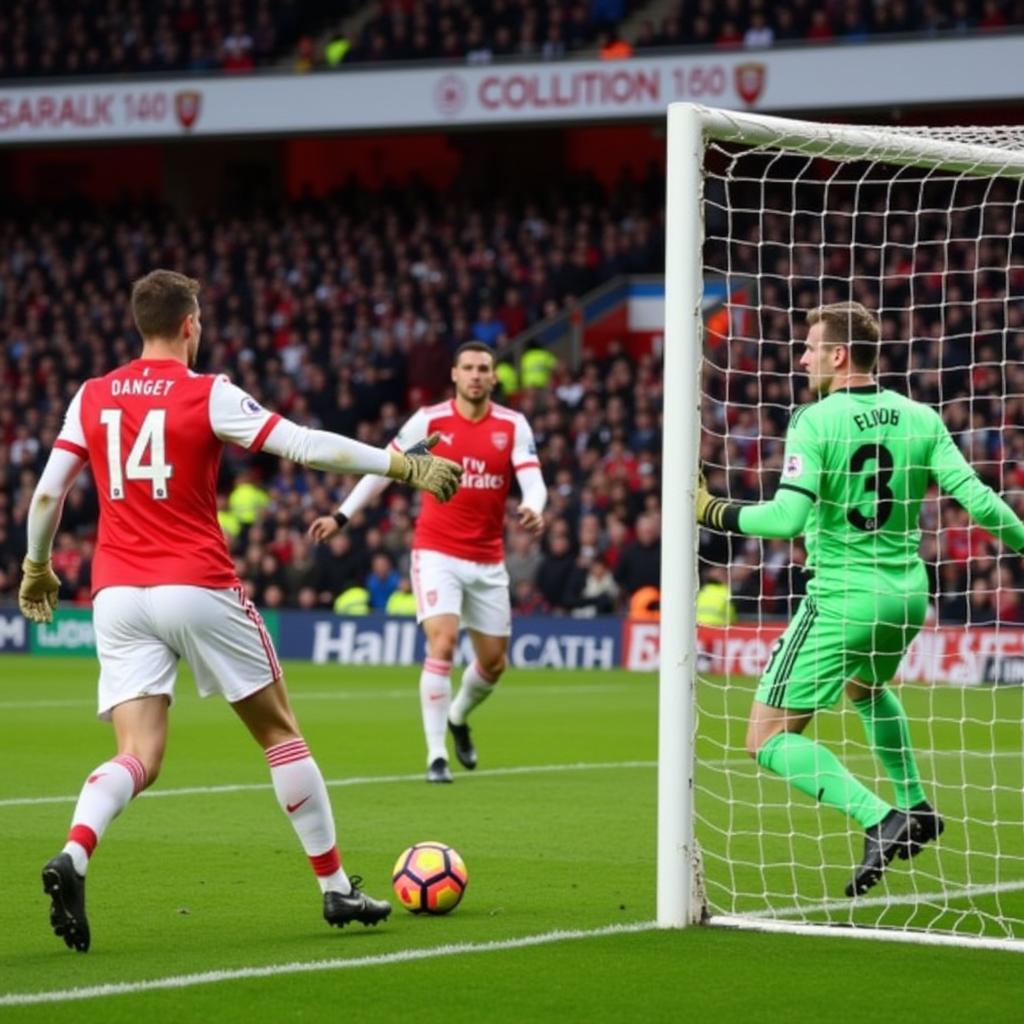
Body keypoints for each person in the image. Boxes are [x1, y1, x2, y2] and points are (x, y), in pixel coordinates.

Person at [18, 270, 462, 953]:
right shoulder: (208, 393)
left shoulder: (92, 394)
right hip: (196, 584)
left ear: (141, 324)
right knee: (279, 731)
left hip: (115, 594)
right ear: (190, 324)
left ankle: (74, 853)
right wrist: (399, 467)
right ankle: (335, 888)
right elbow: (306, 444)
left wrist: (37, 566)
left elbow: (48, 497)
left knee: (138, 754)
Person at [696, 301, 1024, 897]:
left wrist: (713, 509)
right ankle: (916, 803)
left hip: (844, 597)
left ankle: (881, 818)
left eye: (810, 347)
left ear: (839, 354)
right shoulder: (920, 416)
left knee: (764, 739)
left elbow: (787, 517)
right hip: (907, 597)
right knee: (867, 690)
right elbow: (977, 501)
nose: (802, 358)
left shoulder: (815, 421)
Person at [310, 341, 547, 783]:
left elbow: (532, 478)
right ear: (454, 375)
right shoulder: (429, 421)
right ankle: (436, 755)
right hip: (437, 551)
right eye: (469, 368)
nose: (477, 375)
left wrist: (535, 505)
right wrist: (341, 515)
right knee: (442, 643)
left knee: (494, 664)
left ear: (494, 377)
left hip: (488, 560)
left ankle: (458, 716)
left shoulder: (512, 425)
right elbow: (385, 467)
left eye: (484, 369)